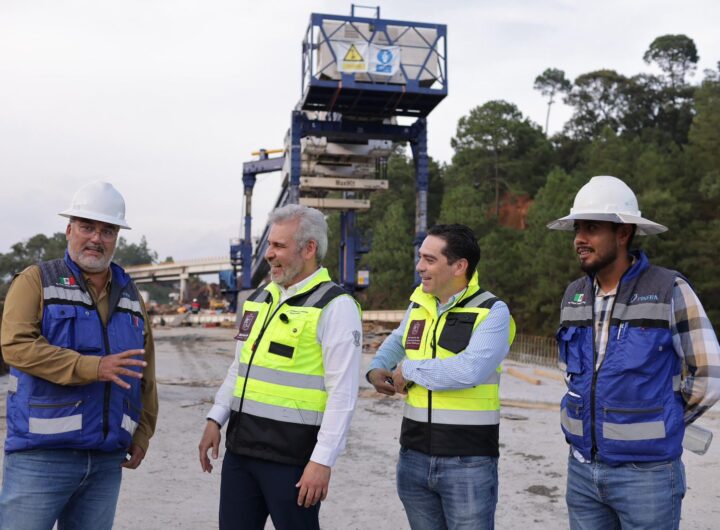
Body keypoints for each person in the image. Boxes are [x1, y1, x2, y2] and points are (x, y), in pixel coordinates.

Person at [547, 175, 720, 529]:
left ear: (623, 233)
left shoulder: (669, 290)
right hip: (582, 472)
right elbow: (570, 373)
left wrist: (666, 420)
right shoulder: (573, 296)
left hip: (647, 477)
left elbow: (709, 372)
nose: (579, 239)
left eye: (592, 228)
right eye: (577, 229)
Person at [0, 181, 158, 530]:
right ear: (69, 230)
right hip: (41, 457)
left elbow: (145, 372)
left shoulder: (131, 294)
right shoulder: (36, 281)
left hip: (106, 461)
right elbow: (16, 345)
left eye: (107, 230)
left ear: (117, 237)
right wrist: (92, 367)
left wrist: (143, 432)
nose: (96, 238)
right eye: (87, 227)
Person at [198, 204, 362, 530]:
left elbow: (342, 393)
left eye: (279, 246)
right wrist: (216, 419)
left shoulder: (336, 307)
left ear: (309, 249)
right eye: (269, 244)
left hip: (293, 461)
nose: (268, 254)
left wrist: (322, 460)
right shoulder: (259, 299)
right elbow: (239, 367)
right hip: (241, 453)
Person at [367, 223, 515, 530]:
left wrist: (409, 369)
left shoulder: (492, 311)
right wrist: (377, 366)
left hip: (468, 461)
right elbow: (398, 339)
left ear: (459, 266)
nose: (419, 266)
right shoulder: (420, 304)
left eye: (430, 259)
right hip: (413, 455)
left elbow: (470, 370)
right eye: (421, 257)